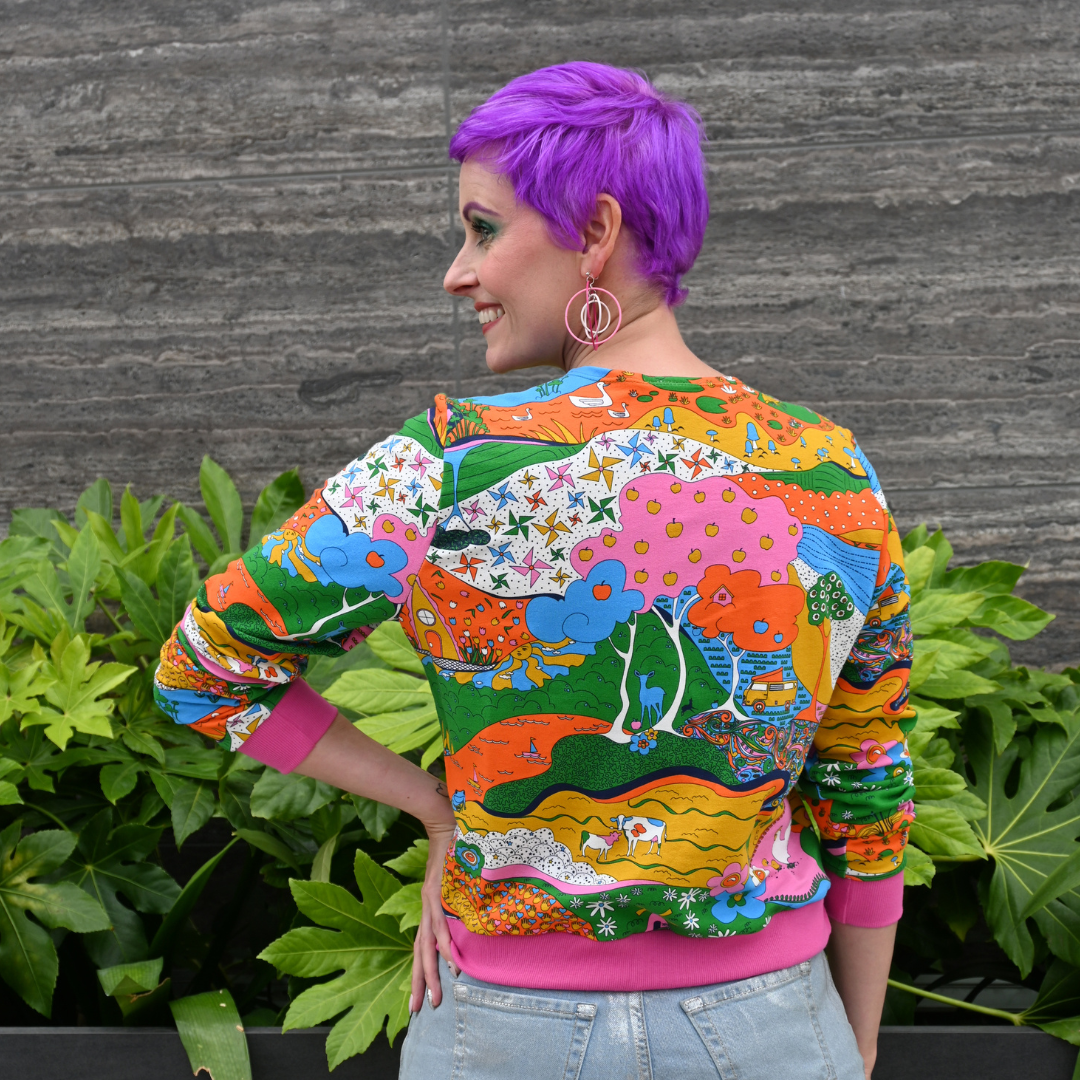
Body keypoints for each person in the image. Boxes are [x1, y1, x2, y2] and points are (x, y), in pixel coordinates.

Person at [155, 62, 915, 1080]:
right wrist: (853, 1045)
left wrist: (433, 807)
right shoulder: (832, 470)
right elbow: (866, 791)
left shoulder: (449, 463)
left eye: (481, 229)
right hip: (772, 1027)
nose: (456, 274)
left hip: (505, 1030)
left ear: (594, 233)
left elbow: (203, 666)